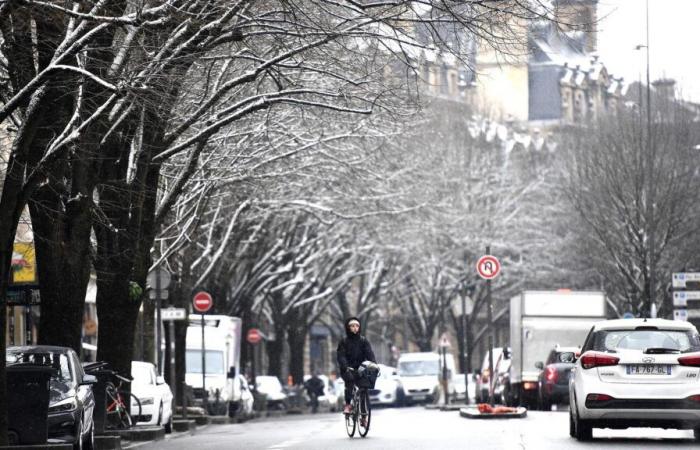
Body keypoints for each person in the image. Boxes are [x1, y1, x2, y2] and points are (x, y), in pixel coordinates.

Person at [336, 317, 376, 415]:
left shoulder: (363, 341)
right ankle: (348, 404)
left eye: (357, 326)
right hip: (347, 368)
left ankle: (363, 414)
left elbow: (369, 353)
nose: (355, 328)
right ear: (348, 328)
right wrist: (345, 366)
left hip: (361, 368)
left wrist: (374, 364)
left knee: (364, 387)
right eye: (352, 326)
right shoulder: (344, 342)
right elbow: (341, 356)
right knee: (349, 381)